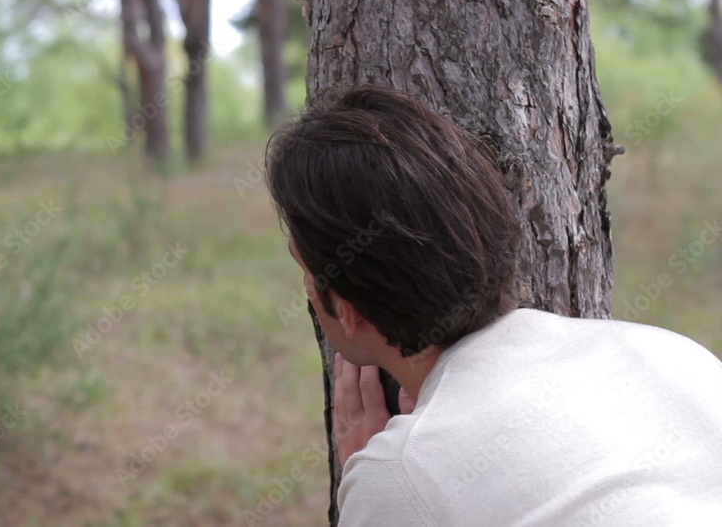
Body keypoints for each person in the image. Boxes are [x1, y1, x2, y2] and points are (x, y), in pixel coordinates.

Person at [264, 85, 722, 526]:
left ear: (349, 311)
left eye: (306, 271)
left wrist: (381, 486)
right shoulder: (674, 354)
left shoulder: (401, 476)